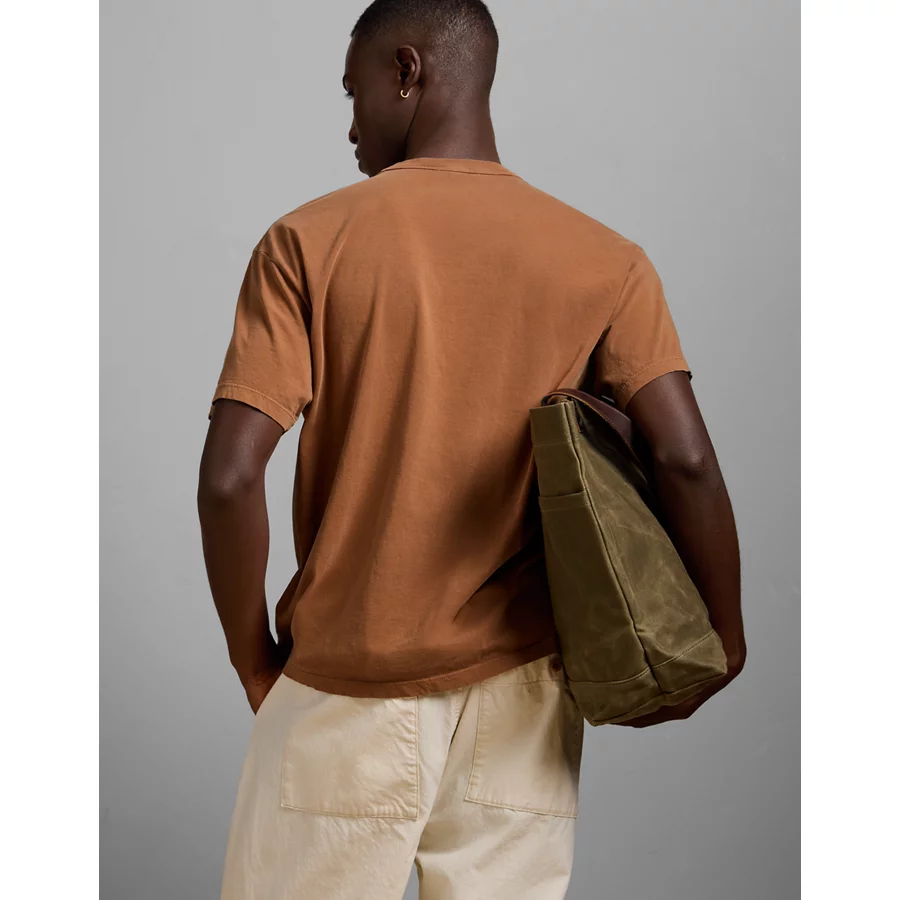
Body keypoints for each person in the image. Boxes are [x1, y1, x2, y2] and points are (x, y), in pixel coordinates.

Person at [197, 0, 747, 897]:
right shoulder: (607, 261)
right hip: (523, 704)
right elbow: (686, 459)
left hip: (343, 691)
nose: (350, 124)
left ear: (406, 71)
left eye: (353, 91)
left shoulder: (306, 242)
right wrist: (725, 638)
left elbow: (228, 478)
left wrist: (252, 657)